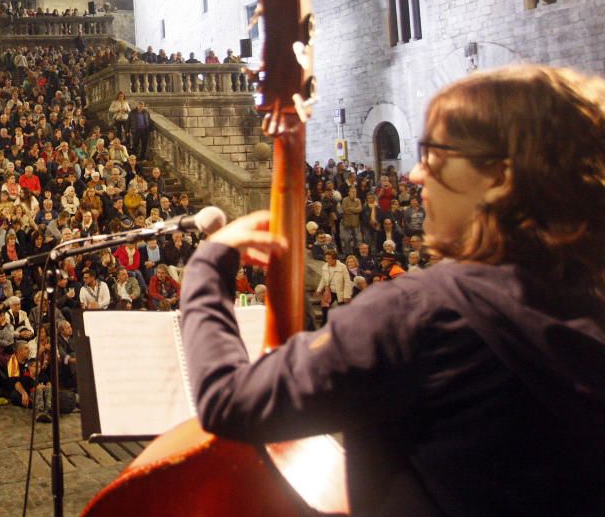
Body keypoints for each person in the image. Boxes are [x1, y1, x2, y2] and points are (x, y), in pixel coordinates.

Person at [178, 66, 605, 515]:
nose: (416, 174)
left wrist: (210, 263)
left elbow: (230, 399)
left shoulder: (419, 315)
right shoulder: (586, 306)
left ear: (500, 177)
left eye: (434, 153)